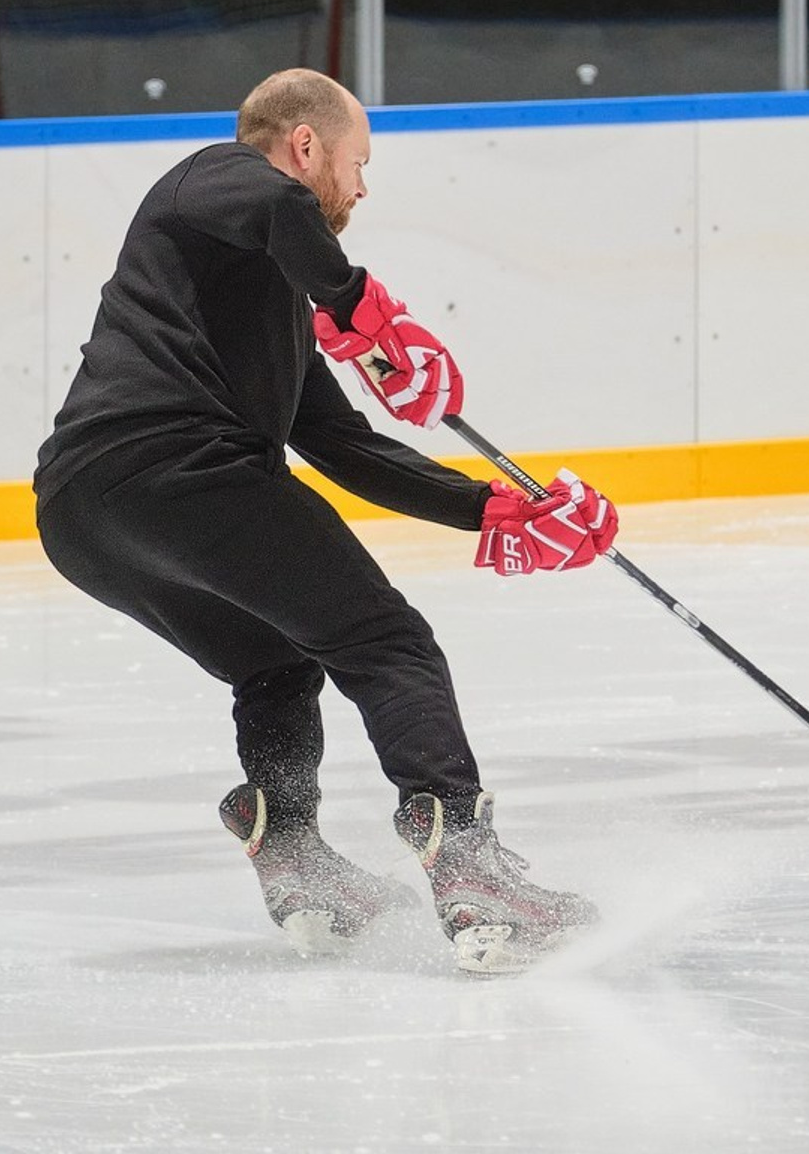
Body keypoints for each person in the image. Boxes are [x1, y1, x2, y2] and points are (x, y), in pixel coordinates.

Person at [33, 68, 618, 974]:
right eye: (356, 163)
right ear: (305, 146)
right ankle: (466, 859)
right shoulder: (212, 178)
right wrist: (359, 307)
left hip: (85, 515)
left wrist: (496, 508)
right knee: (389, 643)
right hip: (181, 473)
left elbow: (345, 447)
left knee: (276, 660)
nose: (361, 188)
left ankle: (292, 849)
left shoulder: (265, 303)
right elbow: (278, 212)